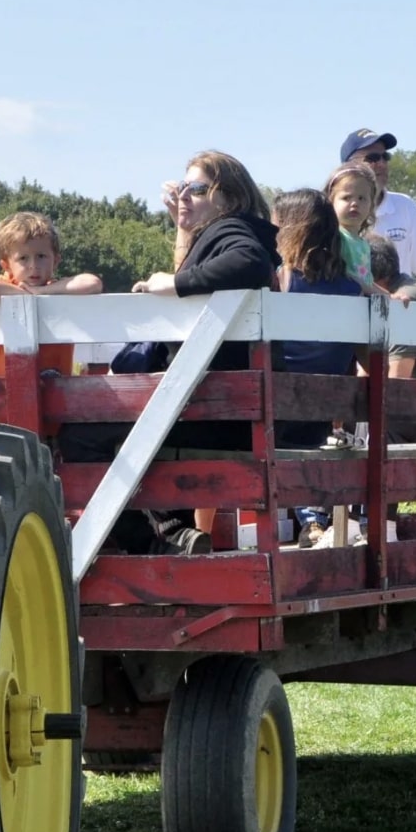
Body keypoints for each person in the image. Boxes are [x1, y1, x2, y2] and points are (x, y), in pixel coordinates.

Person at [132, 150, 282, 552]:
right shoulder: (225, 231)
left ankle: (167, 539)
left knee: (83, 436)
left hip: (214, 410)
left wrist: (174, 284)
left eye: (197, 189)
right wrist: (182, 232)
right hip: (222, 405)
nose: (184, 195)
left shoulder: (232, 229)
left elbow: (248, 262)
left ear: (228, 198)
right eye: (181, 187)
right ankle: (176, 536)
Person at [271, 190, 365, 545]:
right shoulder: (351, 287)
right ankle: (313, 521)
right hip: (326, 404)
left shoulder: (280, 280)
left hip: (279, 403)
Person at [0, 211, 101, 380]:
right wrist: (24, 294)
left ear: (56, 260)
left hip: (55, 390)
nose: (33, 266)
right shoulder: (3, 283)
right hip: (1, 389)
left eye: (41, 256)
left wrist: (43, 292)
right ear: (7, 265)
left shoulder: (57, 287)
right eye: (23, 258)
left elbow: (93, 283)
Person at [338, 129, 416, 290]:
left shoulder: (405, 206)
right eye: (373, 158)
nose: (382, 164)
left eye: (385, 157)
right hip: (347, 308)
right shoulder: (329, 211)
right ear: (348, 167)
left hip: (397, 309)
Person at [324, 162, 383, 288]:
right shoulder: (335, 237)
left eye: (362, 198)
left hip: (359, 305)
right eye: (346, 198)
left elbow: (367, 280)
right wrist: (370, 290)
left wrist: (389, 296)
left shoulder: (363, 243)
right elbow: (343, 275)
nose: (355, 203)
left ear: (371, 205)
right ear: (330, 201)